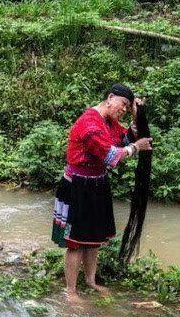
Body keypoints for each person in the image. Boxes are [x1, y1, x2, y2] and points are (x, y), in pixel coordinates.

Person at [51, 84, 153, 302]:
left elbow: (123, 138)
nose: (124, 110)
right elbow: (110, 156)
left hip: (97, 183)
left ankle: (90, 280)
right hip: (78, 186)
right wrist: (136, 148)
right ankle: (71, 291)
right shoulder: (90, 124)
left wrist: (137, 115)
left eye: (128, 107)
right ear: (110, 98)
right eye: (123, 105)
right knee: (76, 242)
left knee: (93, 238)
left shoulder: (108, 121)